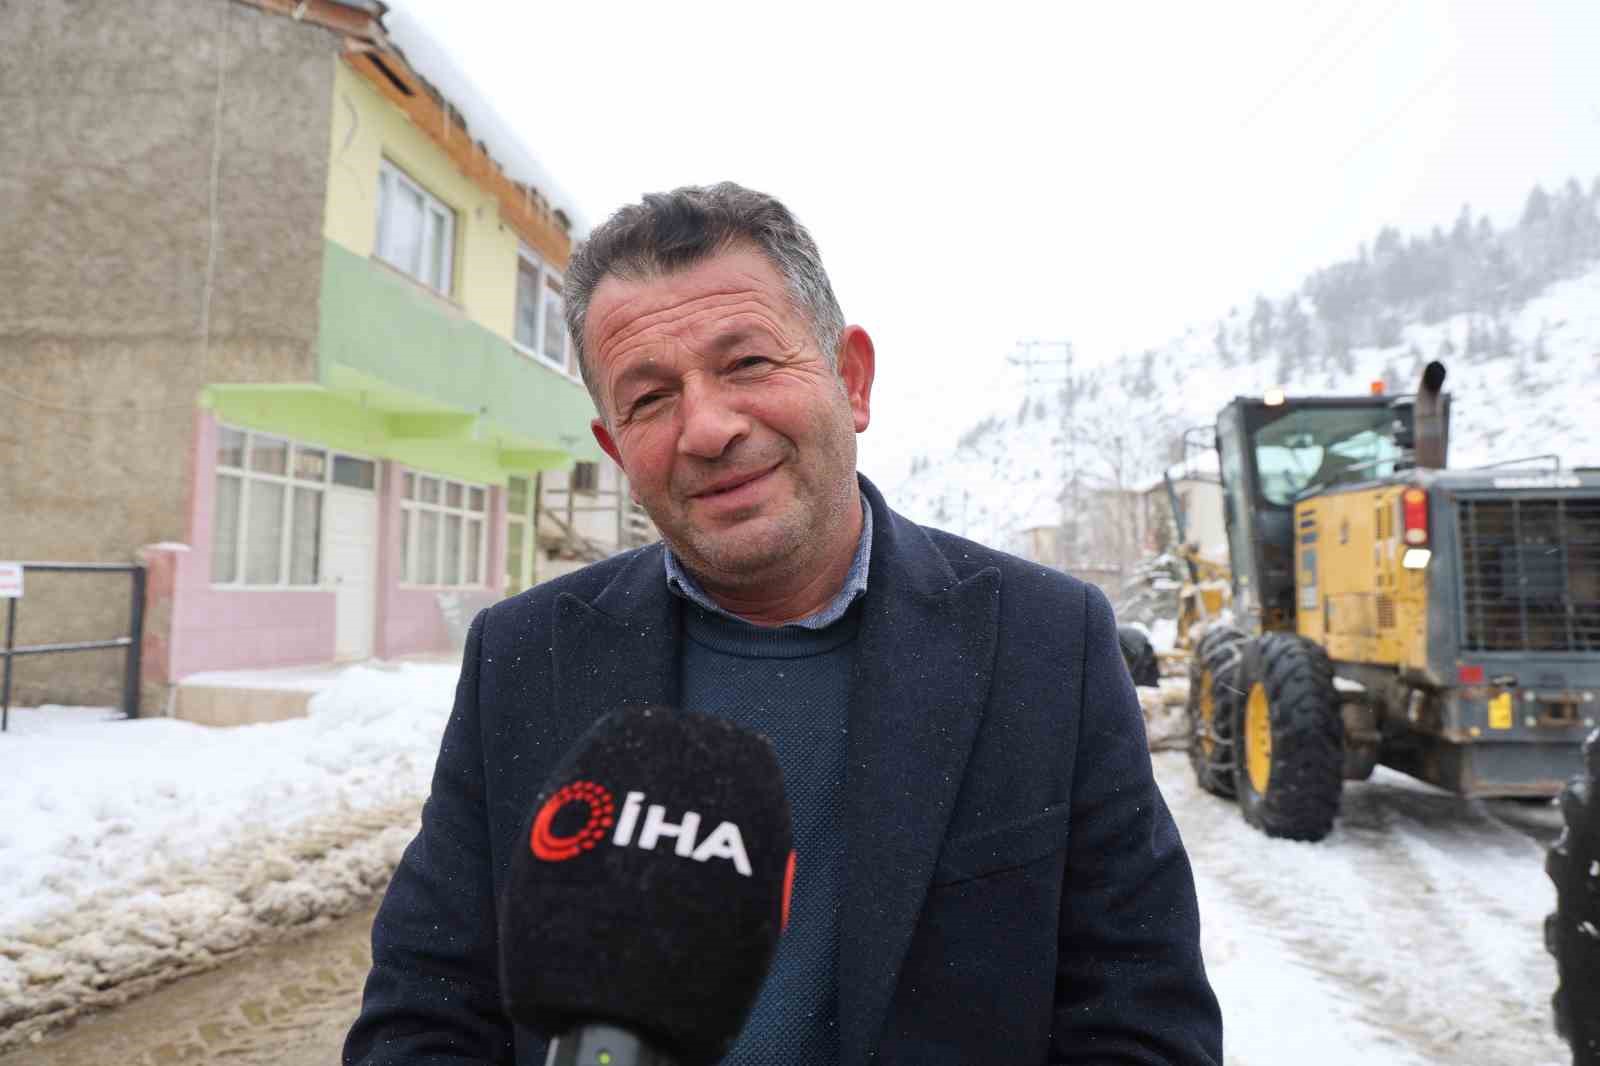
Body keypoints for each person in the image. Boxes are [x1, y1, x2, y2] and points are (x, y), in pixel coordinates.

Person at [344, 182, 1223, 1065]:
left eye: (748, 364)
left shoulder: (1046, 645)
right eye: (649, 399)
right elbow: (424, 1015)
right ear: (614, 449)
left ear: (852, 380)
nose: (707, 428)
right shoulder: (523, 657)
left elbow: (1142, 1024)